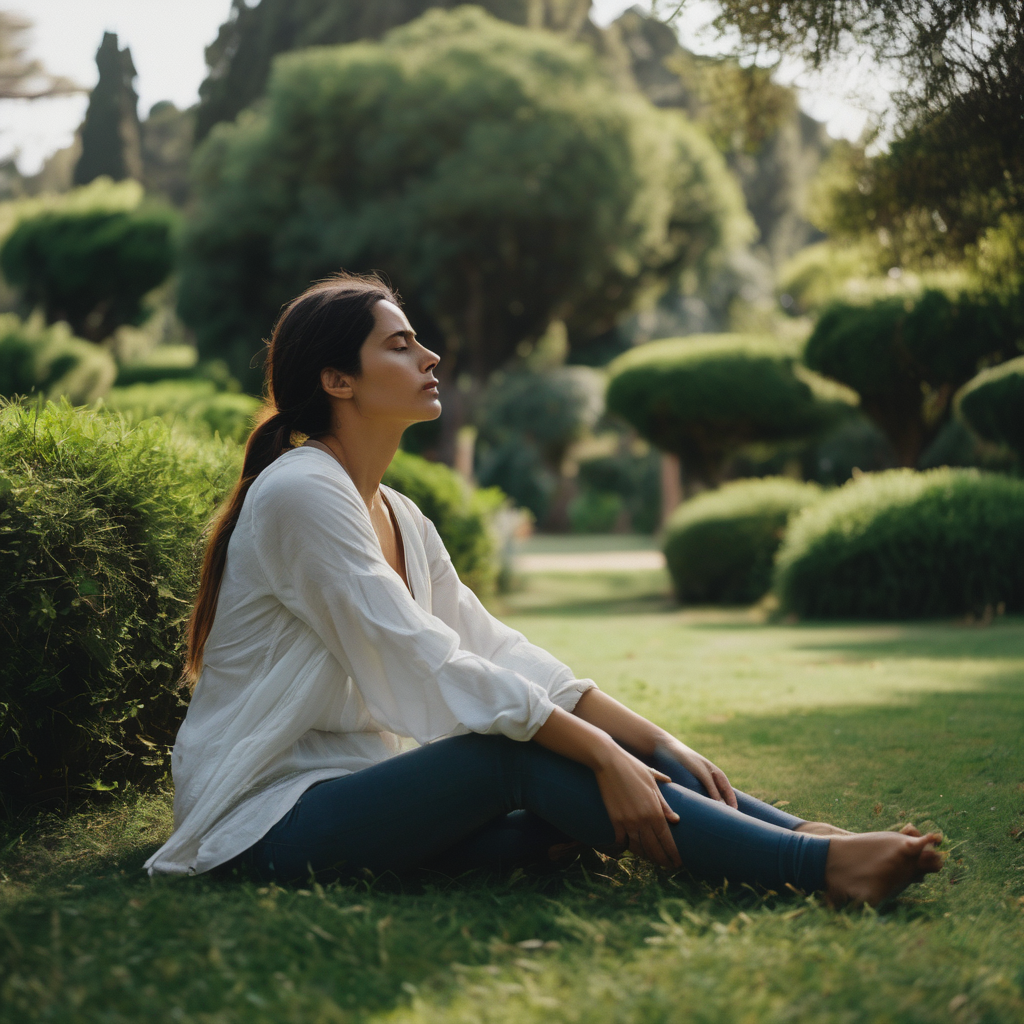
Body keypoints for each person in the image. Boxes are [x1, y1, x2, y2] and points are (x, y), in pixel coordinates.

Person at [144, 272, 944, 906]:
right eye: (400, 346)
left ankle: (797, 830)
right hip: (261, 822)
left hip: (354, 797)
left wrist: (655, 741)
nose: (430, 359)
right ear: (337, 379)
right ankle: (818, 868)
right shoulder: (300, 492)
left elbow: (494, 646)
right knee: (519, 758)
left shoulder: (398, 512)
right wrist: (599, 751)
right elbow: (424, 660)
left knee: (562, 824)